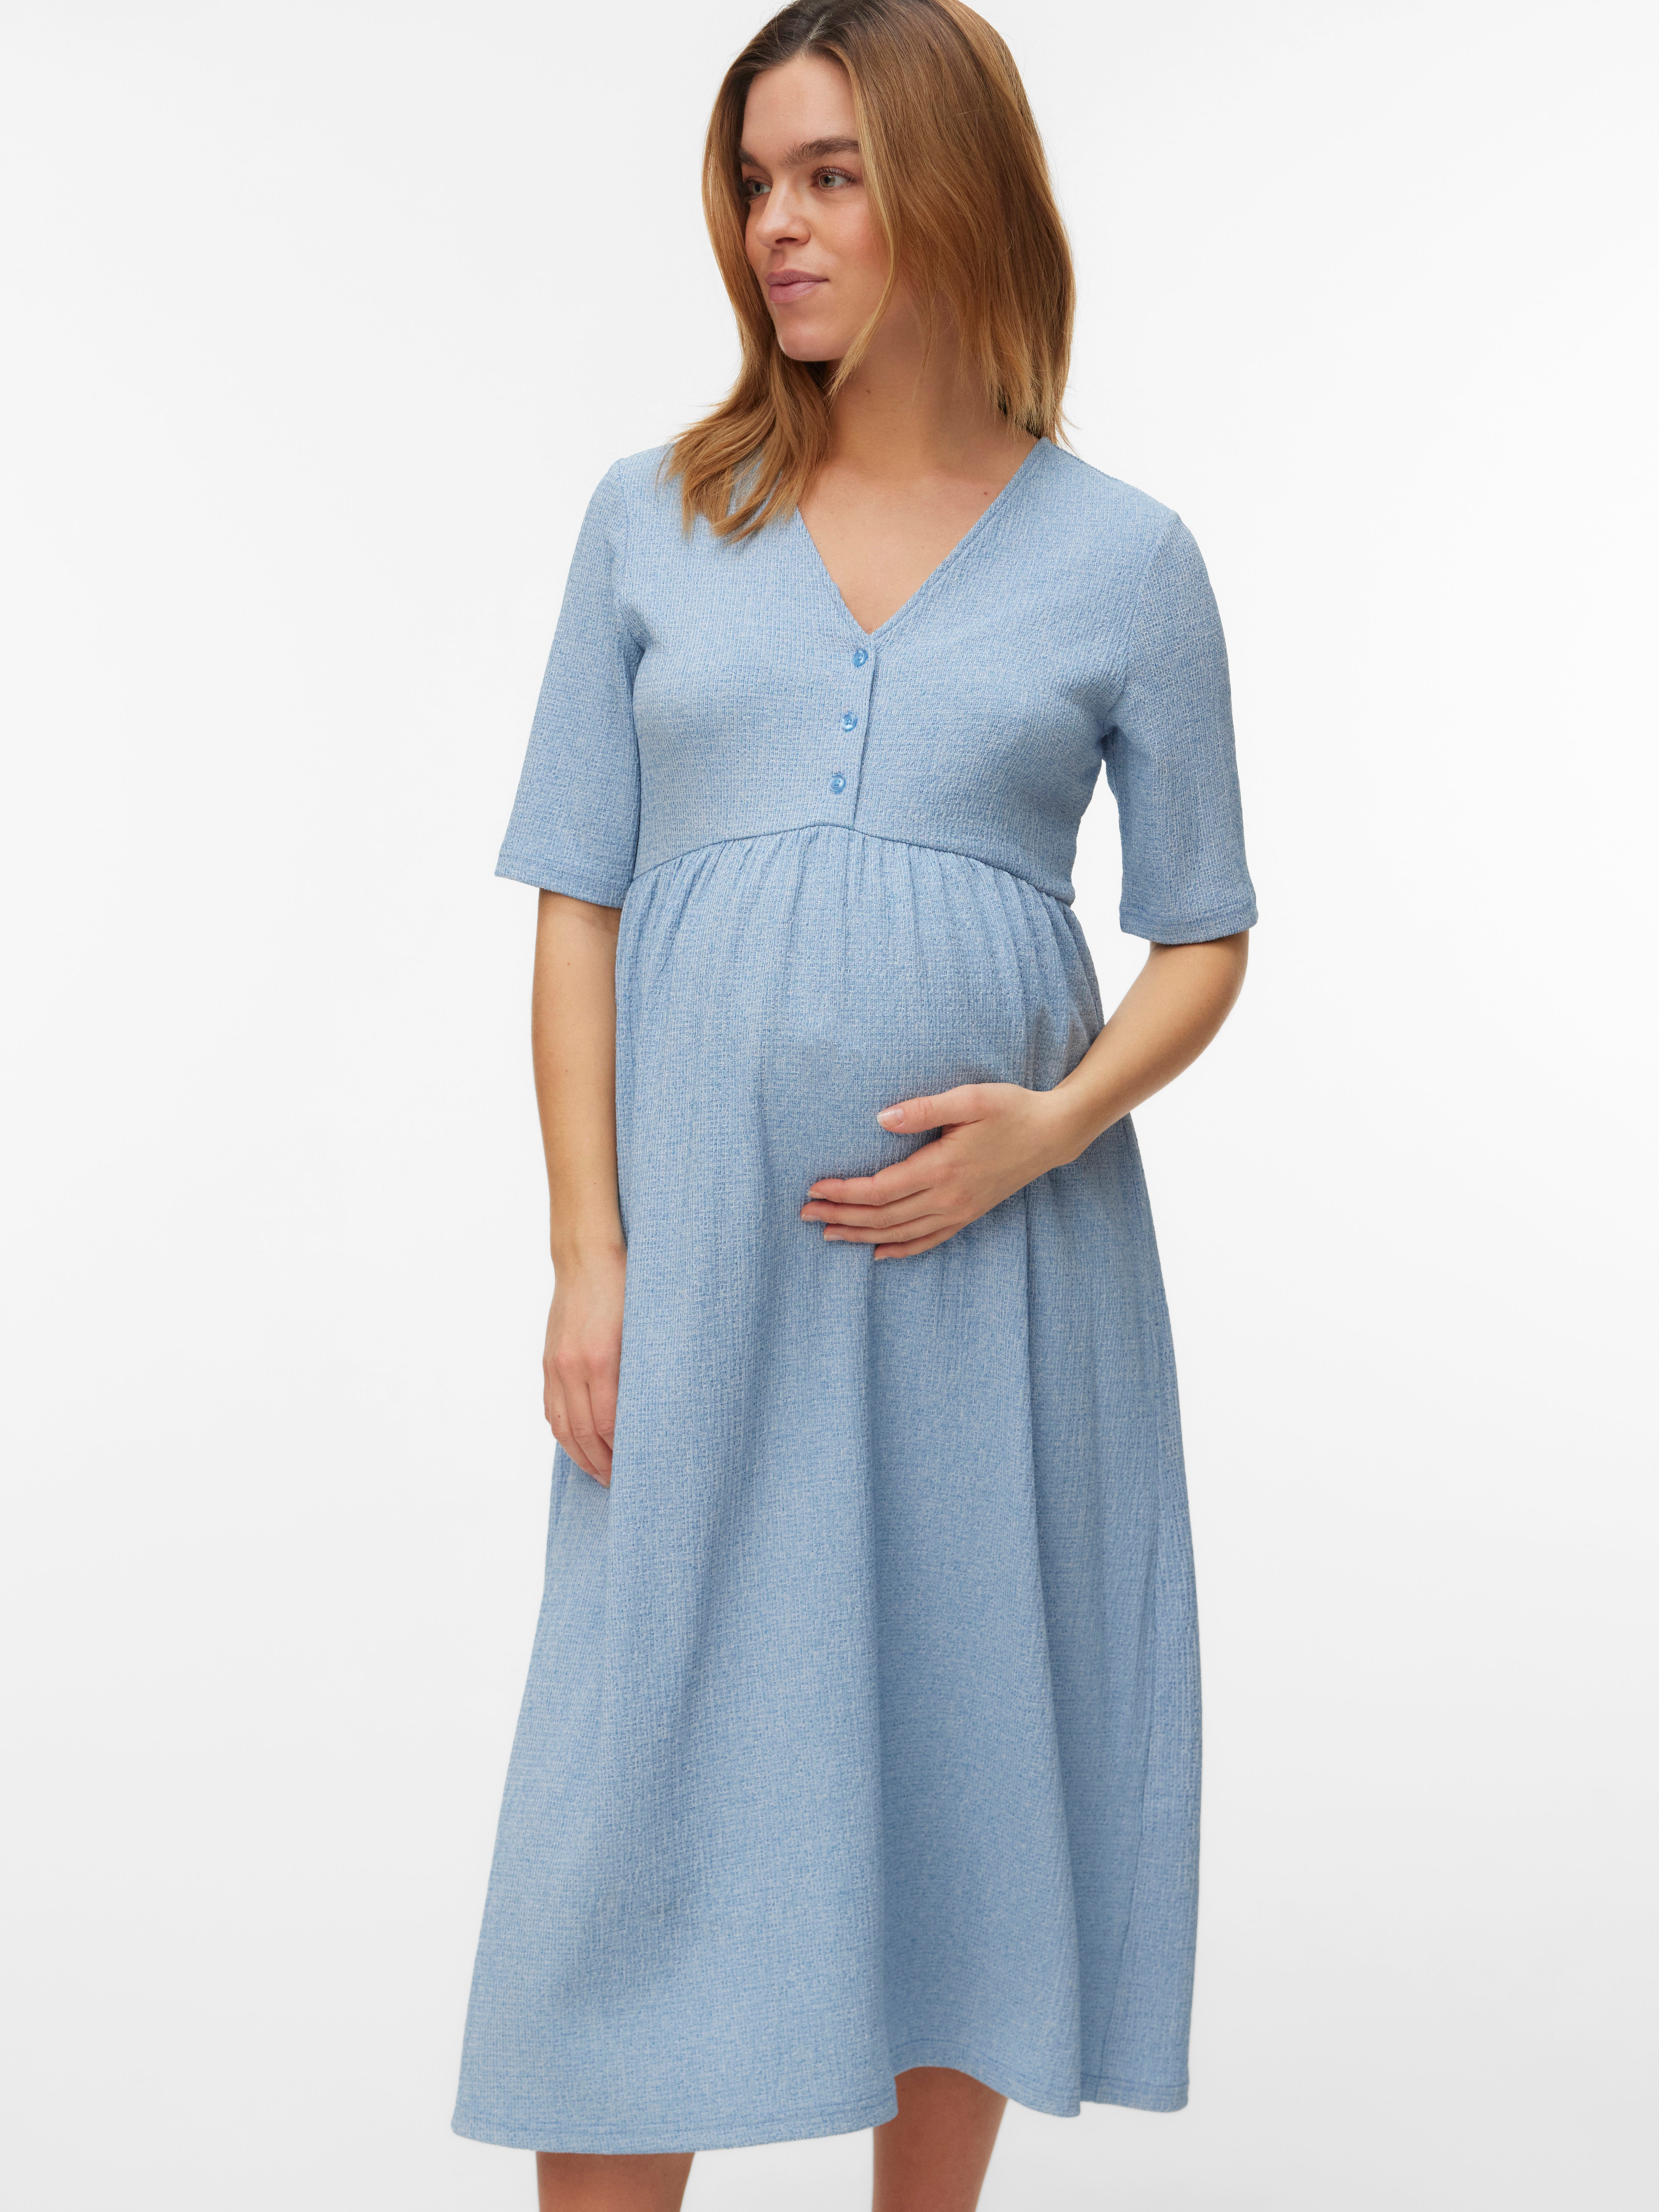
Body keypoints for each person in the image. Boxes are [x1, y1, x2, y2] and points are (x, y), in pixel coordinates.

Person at [452, 3, 1257, 2205]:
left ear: (951, 186)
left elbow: (1203, 934)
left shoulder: (1125, 558)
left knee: (962, 1758)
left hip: (1001, 1278)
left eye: (828, 175)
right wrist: (590, 1255)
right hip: (706, 1273)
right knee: (640, 1795)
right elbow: (577, 901)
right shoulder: (654, 518)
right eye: (753, 181)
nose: (775, 228)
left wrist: (1053, 1126)